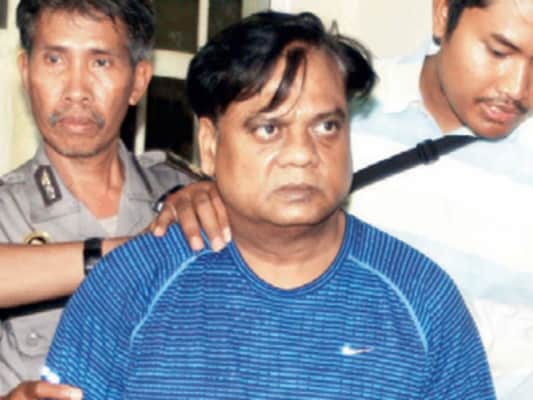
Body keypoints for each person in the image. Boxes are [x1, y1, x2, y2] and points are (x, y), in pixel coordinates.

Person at [43, 11, 495, 400]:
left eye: (326, 127)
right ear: (210, 144)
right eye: (269, 129)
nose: (302, 154)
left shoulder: (421, 298)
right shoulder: (129, 288)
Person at [153, 1, 533, 398]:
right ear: (442, 14)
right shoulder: (333, 97)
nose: (518, 88)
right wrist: (204, 196)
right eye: (499, 52)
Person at [0, 0, 196, 398]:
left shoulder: (187, 196)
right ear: (26, 72)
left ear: (138, 81)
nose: (76, 91)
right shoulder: (7, 212)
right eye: (55, 60)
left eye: (101, 62)